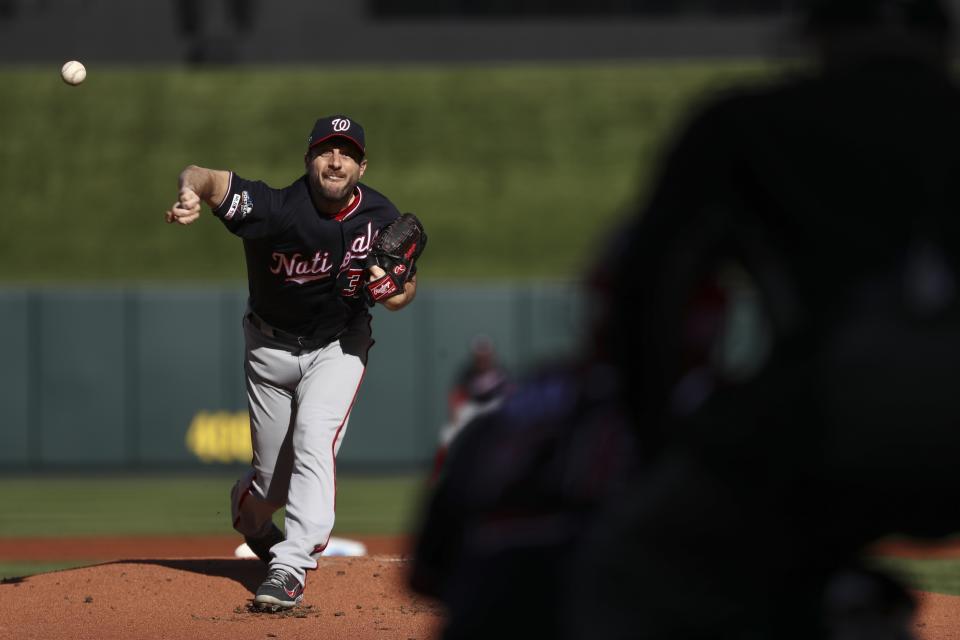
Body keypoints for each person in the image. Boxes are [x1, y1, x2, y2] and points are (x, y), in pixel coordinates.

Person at [164, 114, 421, 611]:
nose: (336, 159)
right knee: (270, 484)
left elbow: (404, 288)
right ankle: (251, 516)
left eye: (347, 152)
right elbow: (204, 175)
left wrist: (394, 293)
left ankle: (291, 565)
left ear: (362, 167)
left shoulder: (381, 216)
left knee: (314, 437)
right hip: (269, 347)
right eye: (327, 150)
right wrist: (190, 191)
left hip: (339, 346)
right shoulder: (275, 208)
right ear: (308, 161)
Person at [430, 335, 511, 481]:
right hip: (472, 406)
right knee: (447, 434)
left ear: (491, 354)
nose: (483, 357)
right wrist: (455, 411)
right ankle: (437, 474)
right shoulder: (468, 371)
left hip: (493, 406)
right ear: (475, 355)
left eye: (485, 354)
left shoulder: (500, 370)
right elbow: (457, 394)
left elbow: (510, 392)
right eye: (479, 354)